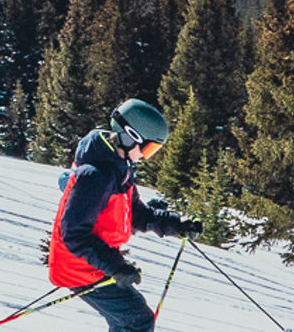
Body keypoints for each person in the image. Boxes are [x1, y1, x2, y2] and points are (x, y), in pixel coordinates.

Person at [47, 98, 203, 332]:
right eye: (149, 149)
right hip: (79, 267)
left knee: (128, 321)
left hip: (94, 263)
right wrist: (115, 266)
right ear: (130, 136)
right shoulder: (95, 176)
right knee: (138, 321)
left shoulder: (120, 168)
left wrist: (176, 224)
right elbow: (73, 233)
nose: (147, 156)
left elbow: (136, 215)